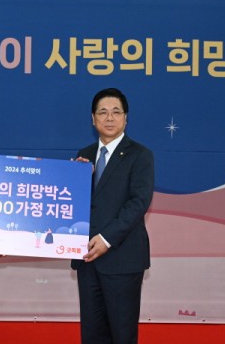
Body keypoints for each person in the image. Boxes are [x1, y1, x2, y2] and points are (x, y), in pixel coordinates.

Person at [72, 87, 155, 344]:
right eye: (103, 112)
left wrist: (106, 239)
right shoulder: (84, 155)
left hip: (123, 258)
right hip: (88, 258)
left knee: (122, 333)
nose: (109, 118)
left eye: (116, 112)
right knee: (92, 333)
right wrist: (74, 180)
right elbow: (72, 204)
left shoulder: (140, 155)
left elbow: (138, 203)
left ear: (126, 118)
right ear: (93, 118)